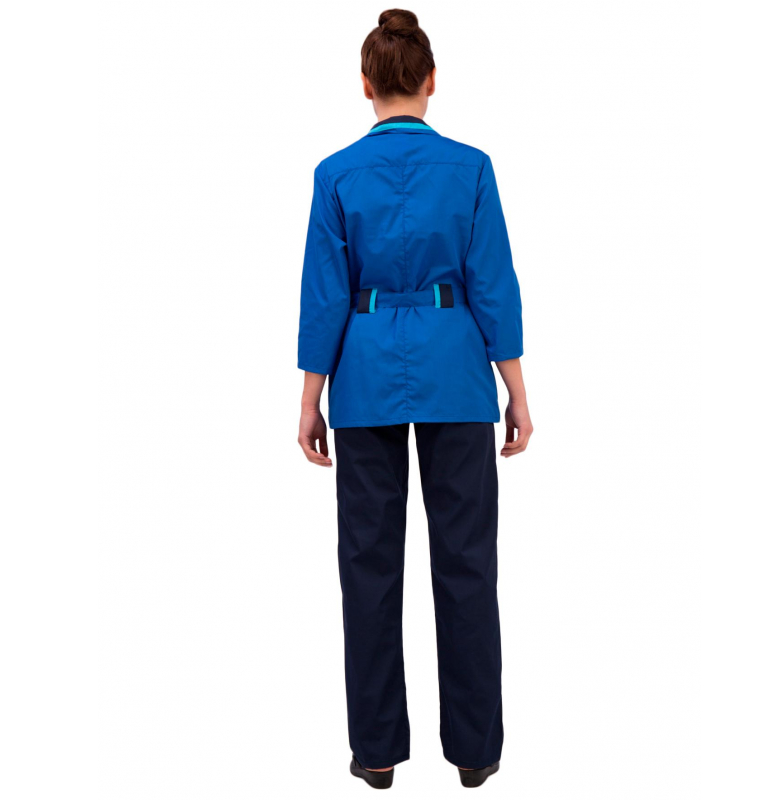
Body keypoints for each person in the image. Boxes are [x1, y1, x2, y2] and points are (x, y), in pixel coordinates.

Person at [297, 9, 531, 789]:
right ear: (432, 81)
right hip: (457, 376)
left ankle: (375, 754)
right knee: (466, 564)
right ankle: (475, 751)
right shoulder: (471, 168)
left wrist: (310, 398)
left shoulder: (335, 174)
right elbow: (493, 285)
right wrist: (516, 391)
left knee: (368, 568)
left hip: (363, 380)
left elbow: (325, 295)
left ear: (365, 85)